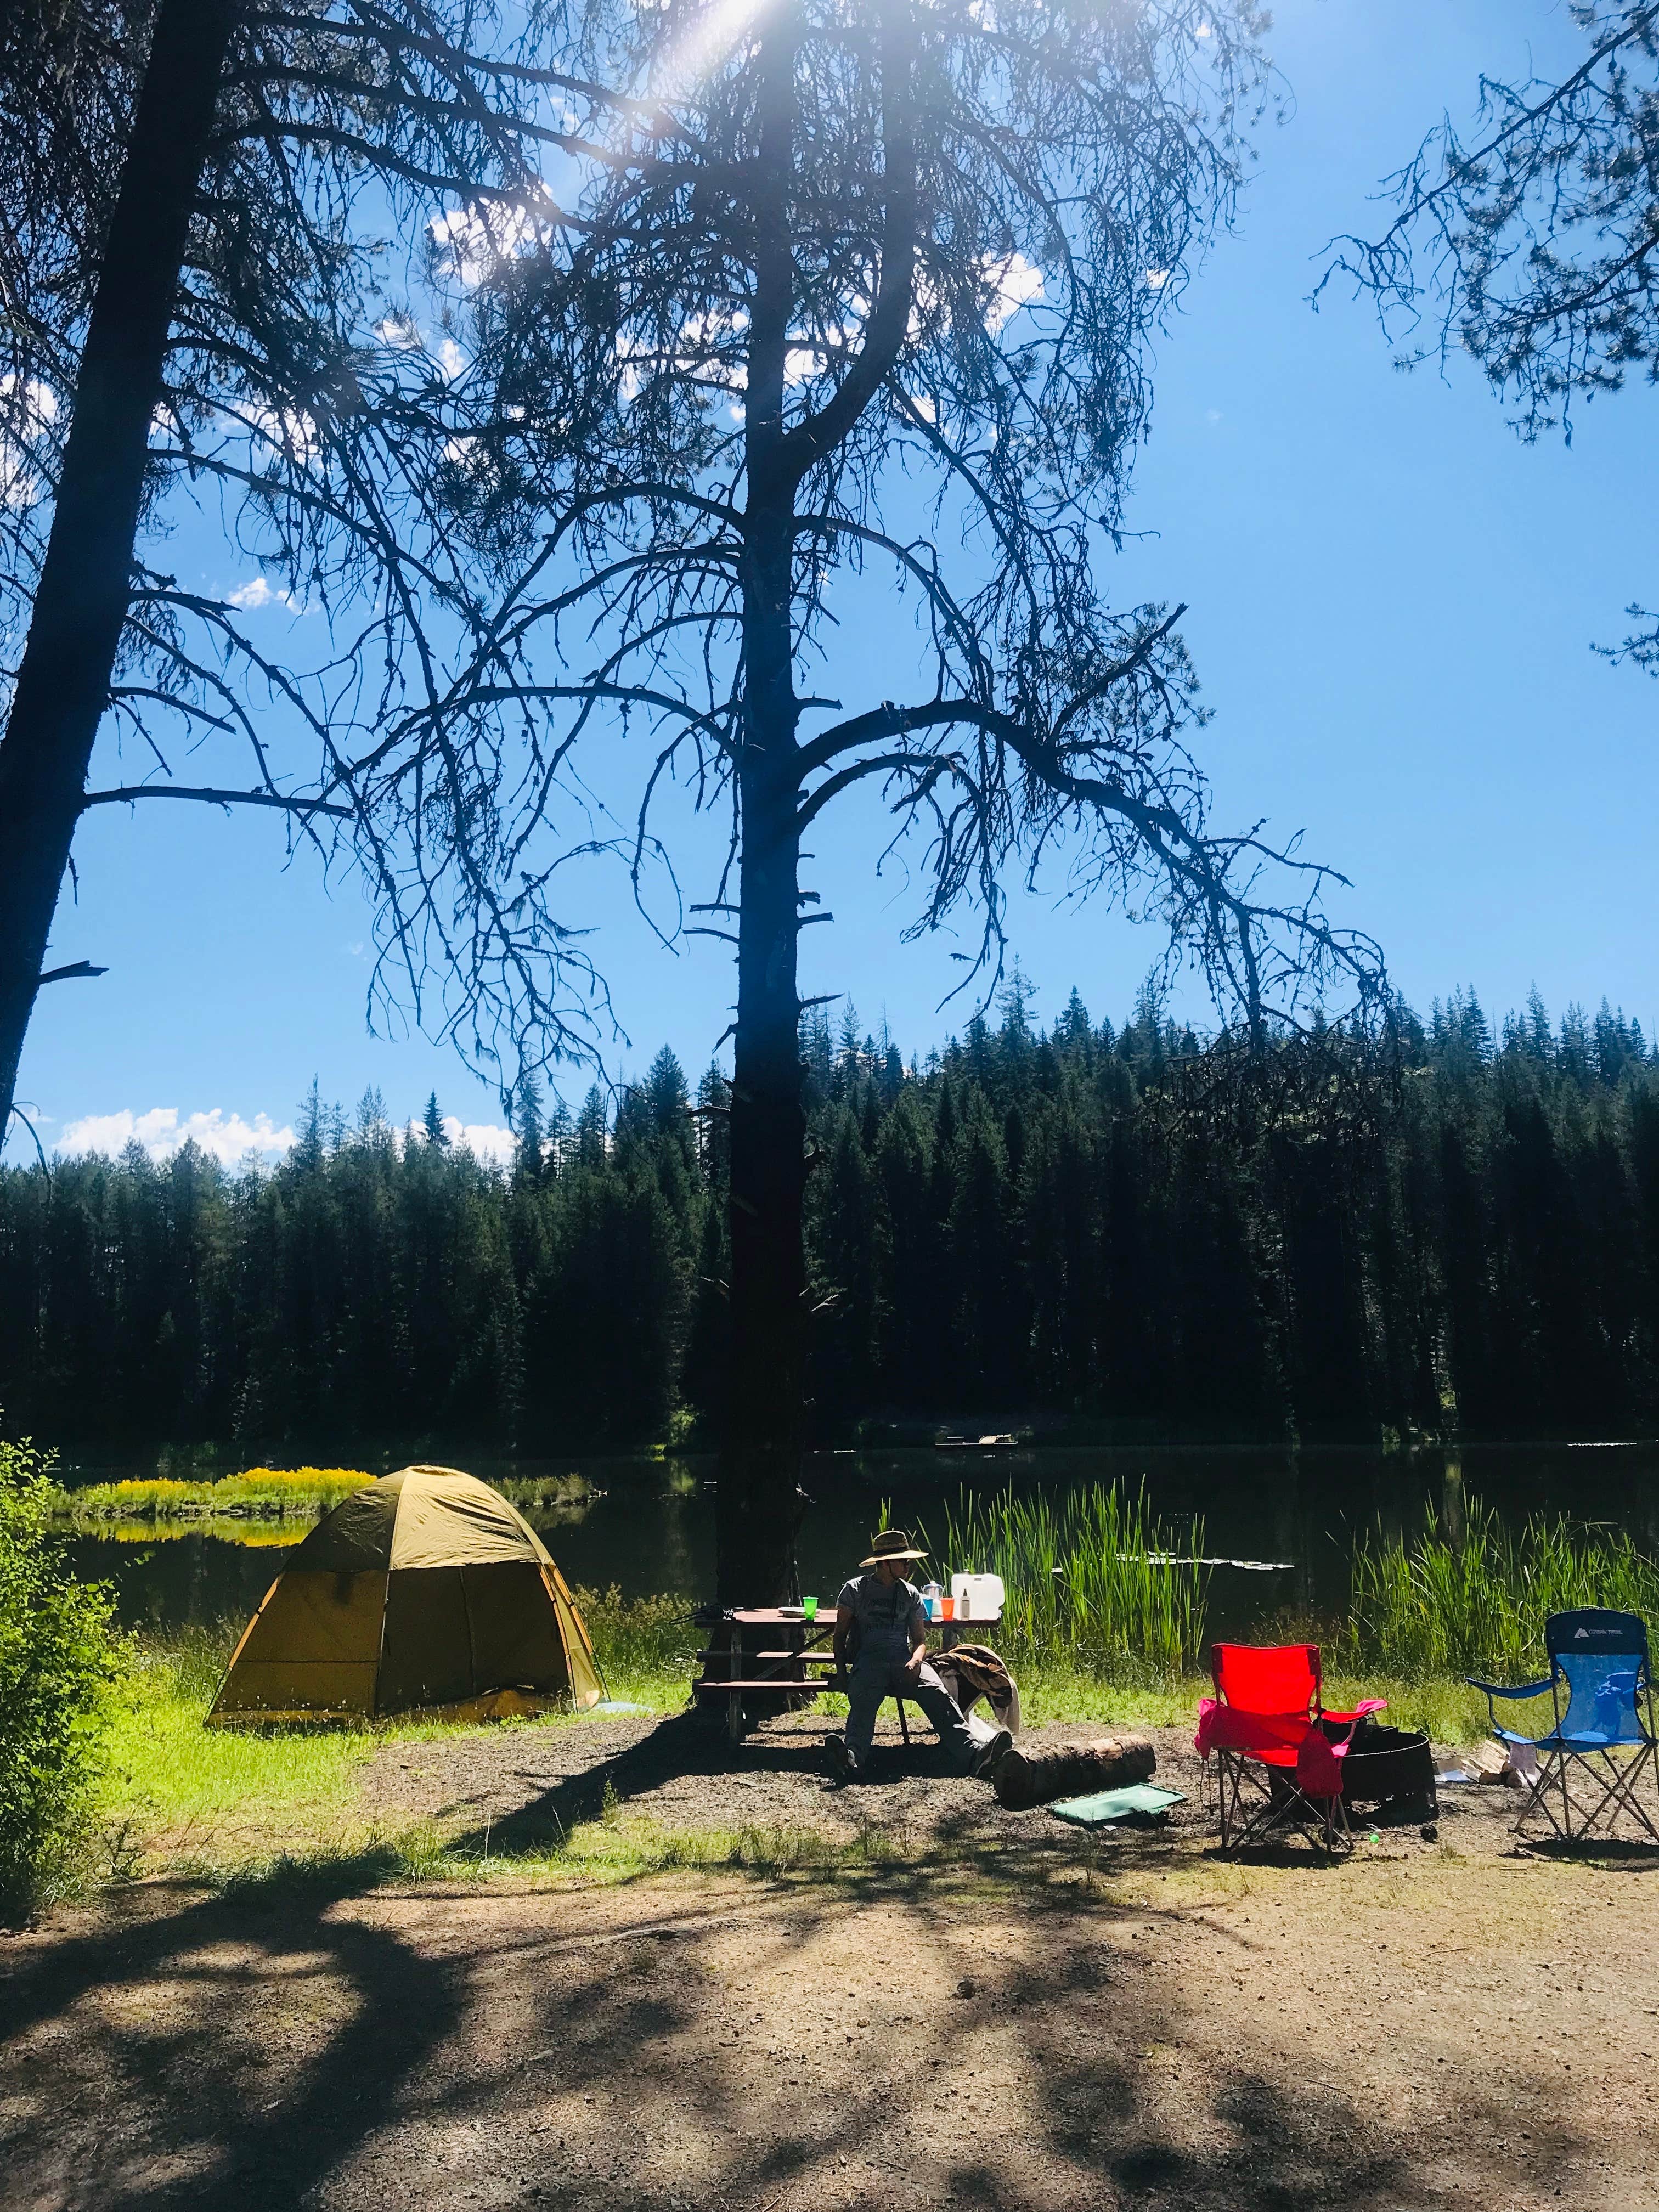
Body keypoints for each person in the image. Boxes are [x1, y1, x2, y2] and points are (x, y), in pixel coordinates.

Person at [823, 1529, 1012, 1783]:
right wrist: (842, 1675)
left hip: (904, 1659)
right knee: (864, 1699)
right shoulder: (856, 1590)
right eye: (904, 1560)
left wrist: (915, 1660)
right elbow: (839, 1636)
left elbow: (920, 1641)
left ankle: (974, 1755)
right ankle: (851, 1758)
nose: (909, 1565)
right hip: (870, 1661)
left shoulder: (910, 1593)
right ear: (886, 1563)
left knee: (937, 1691)